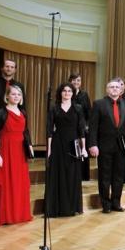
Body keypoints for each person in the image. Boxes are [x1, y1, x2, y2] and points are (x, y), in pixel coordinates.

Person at [0, 84, 34, 227]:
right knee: (4, 182)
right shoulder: (0, 112)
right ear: (7, 96)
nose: (16, 97)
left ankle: (19, 214)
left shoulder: (23, 112)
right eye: (13, 94)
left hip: (20, 151)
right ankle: (3, 216)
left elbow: (25, 131)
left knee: (19, 183)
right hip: (5, 149)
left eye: (19, 94)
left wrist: (30, 146)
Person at [88, 78, 125, 213]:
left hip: (121, 146)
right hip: (104, 146)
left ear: (121, 90)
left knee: (119, 176)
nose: (115, 89)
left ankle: (116, 203)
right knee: (104, 176)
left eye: (117, 87)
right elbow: (93, 127)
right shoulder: (99, 104)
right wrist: (93, 144)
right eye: (112, 87)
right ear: (107, 90)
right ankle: (106, 204)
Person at [45, 82, 86, 217]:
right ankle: (57, 208)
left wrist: (83, 148)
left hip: (74, 144)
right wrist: (49, 149)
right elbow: (49, 130)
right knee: (58, 174)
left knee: (72, 174)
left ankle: (71, 207)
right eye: (64, 91)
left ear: (73, 93)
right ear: (60, 93)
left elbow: (81, 130)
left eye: (69, 91)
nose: (67, 93)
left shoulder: (78, 108)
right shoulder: (54, 108)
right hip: (58, 144)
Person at [69, 73, 92, 182]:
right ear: (70, 81)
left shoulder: (84, 95)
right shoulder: (67, 93)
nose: (76, 82)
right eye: (74, 80)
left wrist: (87, 125)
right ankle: (72, 175)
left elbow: (89, 111)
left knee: (83, 150)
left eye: (78, 80)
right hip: (70, 127)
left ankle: (83, 176)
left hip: (82, 127)